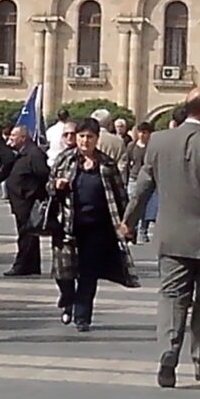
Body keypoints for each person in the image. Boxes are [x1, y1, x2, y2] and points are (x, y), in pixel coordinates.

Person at [121, 87, 200, 389]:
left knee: (172, 298)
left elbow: (143, 186)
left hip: (171, 236)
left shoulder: (158, 141)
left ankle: (168, 356)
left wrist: (128, 221)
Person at [50, 118, 134, 332]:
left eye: (89, 137)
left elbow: (120, 194)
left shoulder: (106, 164)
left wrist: (126, 223)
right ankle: (67, 298)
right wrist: (56, 185)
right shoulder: (65, 160)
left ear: (97, 139)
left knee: (89, 273)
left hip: (97, 228)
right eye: (81, 136)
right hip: (67, 226)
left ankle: (82, 316)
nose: (85, 141)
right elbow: (48, 187)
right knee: (64, 273)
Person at [2, 124, 49, 277]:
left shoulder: (34, 154)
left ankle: (22, 265)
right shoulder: (19, 154)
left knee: (26, 234)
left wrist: (32, 192)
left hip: (28, 201)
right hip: (19, 201)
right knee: (27, 234)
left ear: (23, 138)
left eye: (14, 136)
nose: (10, 139)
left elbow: (43, 174)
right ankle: (31, 265)